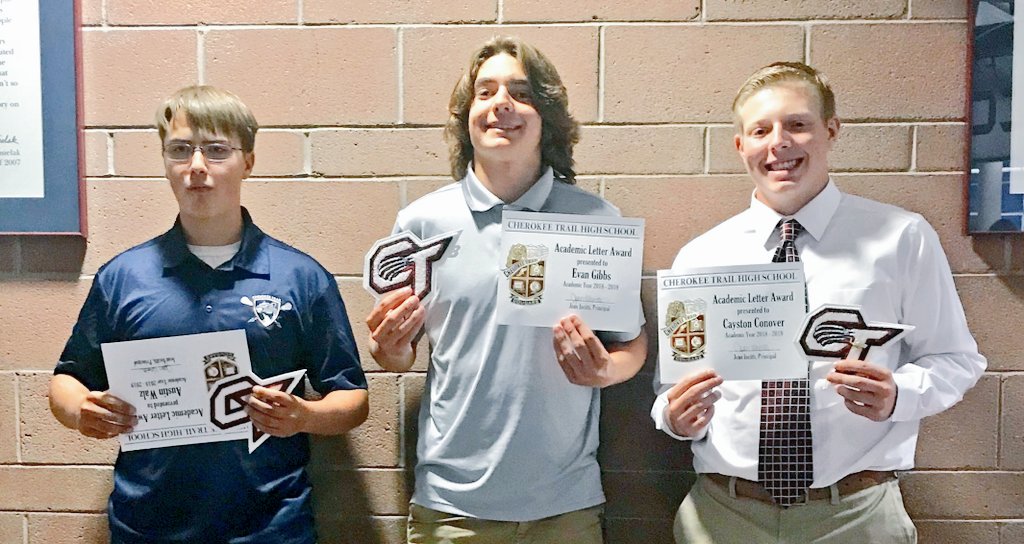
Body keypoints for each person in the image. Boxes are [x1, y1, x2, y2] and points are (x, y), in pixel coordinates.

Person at [651, 62, 986, 543]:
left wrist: (898, 396)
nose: (779, 142)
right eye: (760, 130)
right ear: (740, 145)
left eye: (798, 125)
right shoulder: (701, 256)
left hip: (856, 515)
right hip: (724, 517)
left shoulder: (900, 238)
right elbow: (670, 389)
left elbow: (957, 360)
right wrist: (674, 418)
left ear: (830, 131)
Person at [48, 85, 368, 544]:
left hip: (272, 527)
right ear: (165, 162)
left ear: (248, 162)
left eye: (217, 150)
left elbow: (352, 398)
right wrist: (81, 409)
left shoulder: (302, 278)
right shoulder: (123, 277)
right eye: (180, 150)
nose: (197, 167)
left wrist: (304, 417)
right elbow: (66, 380)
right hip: (147, 527)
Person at [365, 36, 646, 543]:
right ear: (466, 116)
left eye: (520, 91)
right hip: (452, 509)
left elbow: (631, 343)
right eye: (485, 91)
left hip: (565, 507)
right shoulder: (422, 223)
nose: (501, 105)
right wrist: (387, 347)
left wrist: (607, 370)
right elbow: (397, 359)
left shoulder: (596, 220)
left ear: (546, 116)